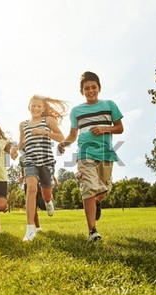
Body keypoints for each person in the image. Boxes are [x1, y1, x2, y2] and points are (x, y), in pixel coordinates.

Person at [58, 71, 124, 242]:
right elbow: (72, 135)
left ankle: (98, 201)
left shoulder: (110, 105)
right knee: (88, 188)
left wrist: (104, 128)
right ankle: (92, 231)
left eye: (93, 87)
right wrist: (63, 144)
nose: (90, 90)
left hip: (106, 154)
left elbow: (119, 128)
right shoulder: (76, 111)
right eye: (87, 88)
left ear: (99, 88)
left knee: (104, 190)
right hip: (85, 154)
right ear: (82, 91)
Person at [11, 94, 68, 241]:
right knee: (31, 188)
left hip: (47, 161)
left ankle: (48, 202)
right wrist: (15, 148)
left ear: (43, 108)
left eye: (39, 106)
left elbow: (61, 137)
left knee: (46, 194)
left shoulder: (47, 120)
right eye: (33, 105)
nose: (36, 108)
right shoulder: (23, 125)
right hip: (30, 160)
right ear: (29, 107)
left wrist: (45, 132)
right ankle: (30, 229)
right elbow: (22, 143)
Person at [18, 154, 59, 233]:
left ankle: (48, 201)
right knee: (32, 206)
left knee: (43, 205)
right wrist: (21, 176)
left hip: (40, 183)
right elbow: (21, 170)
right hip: (28, 183)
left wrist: (55, 179)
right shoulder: (22, 157)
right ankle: (38, 227)